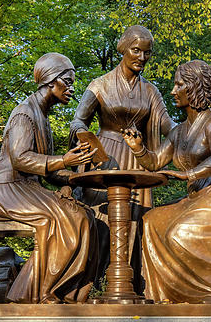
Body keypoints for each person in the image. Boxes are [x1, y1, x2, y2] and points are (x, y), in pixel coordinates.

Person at [123, 59, 211, 303]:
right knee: (150, 221)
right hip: (198, 196)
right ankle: (167, 294)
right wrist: (138, 148)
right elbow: (154, 162)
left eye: (179, 85)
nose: (173, 91)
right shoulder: (179, 131)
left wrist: (188, 175)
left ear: (194, 88)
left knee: (179, 233)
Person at [0, 53, 102, 304]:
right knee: (60, 218)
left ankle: (67, 292)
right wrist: (64, 160)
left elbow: (51, 171)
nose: (71, 88)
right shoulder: (25, 113)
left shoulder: (43, 117)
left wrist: (81, 176)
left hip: (25, 188)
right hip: (5, 189)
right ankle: (36, 292)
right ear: (50, 81)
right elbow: (21, 159)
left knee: (85, 215)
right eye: (67, 81)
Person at [70, 25, 175, 291]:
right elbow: (78, 121)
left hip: (138, 159)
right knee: (101, 220)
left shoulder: (151, 92)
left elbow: (168, 126)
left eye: (147, 53)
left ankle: (127, 284)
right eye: (136, 50)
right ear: (123, 49)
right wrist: (86, 139)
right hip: (104, 157)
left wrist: (194, 129)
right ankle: (93, 283)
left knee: (135, 221)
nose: (141, 57)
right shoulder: (100, 85)